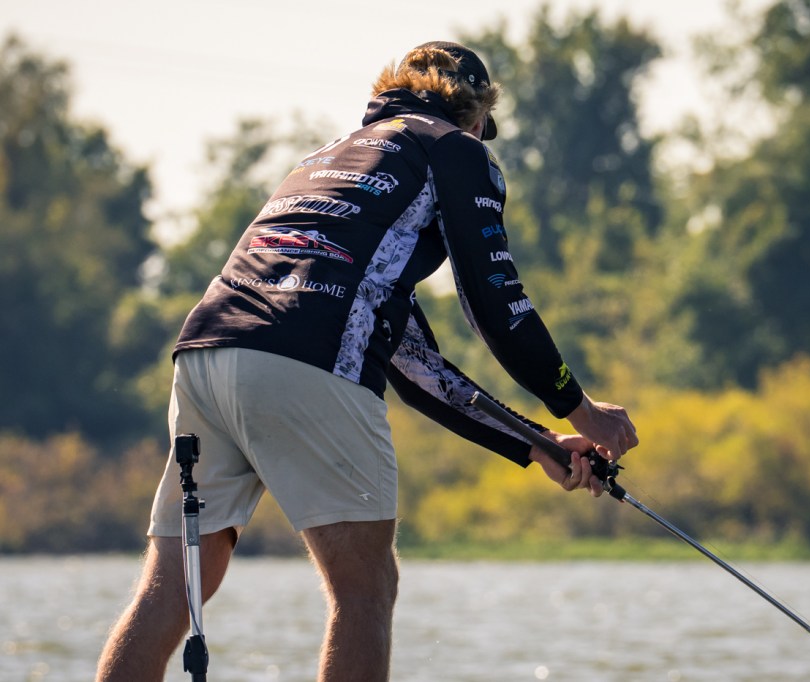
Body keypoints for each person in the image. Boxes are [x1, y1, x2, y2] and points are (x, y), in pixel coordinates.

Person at [95, 40, 638, 682]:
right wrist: (581, 409)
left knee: (171, 589)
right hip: (308, 360)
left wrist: (537, 443)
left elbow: (414, 363)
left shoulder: (327, 158)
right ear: (474, 110)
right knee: (364, 591)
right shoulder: (455, 150)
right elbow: (495, 301)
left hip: (206, 354)